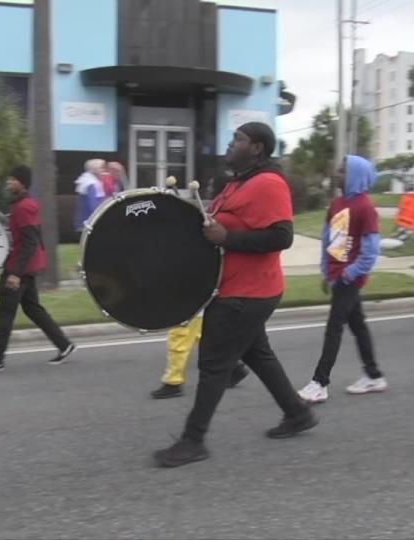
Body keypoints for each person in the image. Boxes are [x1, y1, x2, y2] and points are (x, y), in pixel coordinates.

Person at [153, 122, 316, 468]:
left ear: (257, 147)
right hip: (238, 288)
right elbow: (221, 223)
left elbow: (281, 237)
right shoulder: (240, 183)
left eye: (238, 139)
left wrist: (227, 238)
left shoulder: (270, 184)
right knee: (258, 355)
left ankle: (193, 441)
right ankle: (297, 413)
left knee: (214, 364)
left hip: (248, 292)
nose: (230, 143)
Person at [297, 155, 387, 404]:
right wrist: (327, 271)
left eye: (342, 170)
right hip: (338, 274)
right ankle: (374, 375)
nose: (337, 174)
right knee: (358, 325)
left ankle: (320, 382)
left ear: (356, 175)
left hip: (350, 277)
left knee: (334, 327)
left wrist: (350, 273)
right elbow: (328, 240)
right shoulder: (337, 204)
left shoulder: (365, 207)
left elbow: (371, 250)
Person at [0, 166, 75, 373]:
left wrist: (16, 274)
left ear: (21, 183)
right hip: (26, 265)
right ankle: (64, 344)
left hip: (19, 267)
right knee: (32, 308)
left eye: (12, 180)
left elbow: (30, 242)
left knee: (5, 313)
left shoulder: (24, 207)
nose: (9, 183)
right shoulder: (24, 204)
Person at [150, 316, 250, 399]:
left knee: (179, 342)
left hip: (188, 307)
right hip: (199, 304)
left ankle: (173, 382)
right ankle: (232, 367)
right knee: (203, 337)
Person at [74, 159, 106, 230]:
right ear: (94, 169)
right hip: (89, 220)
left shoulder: (89, 181)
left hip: (87, 219)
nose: (103, 170)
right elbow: (93, 205)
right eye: (101, 168)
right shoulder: (91, 183)